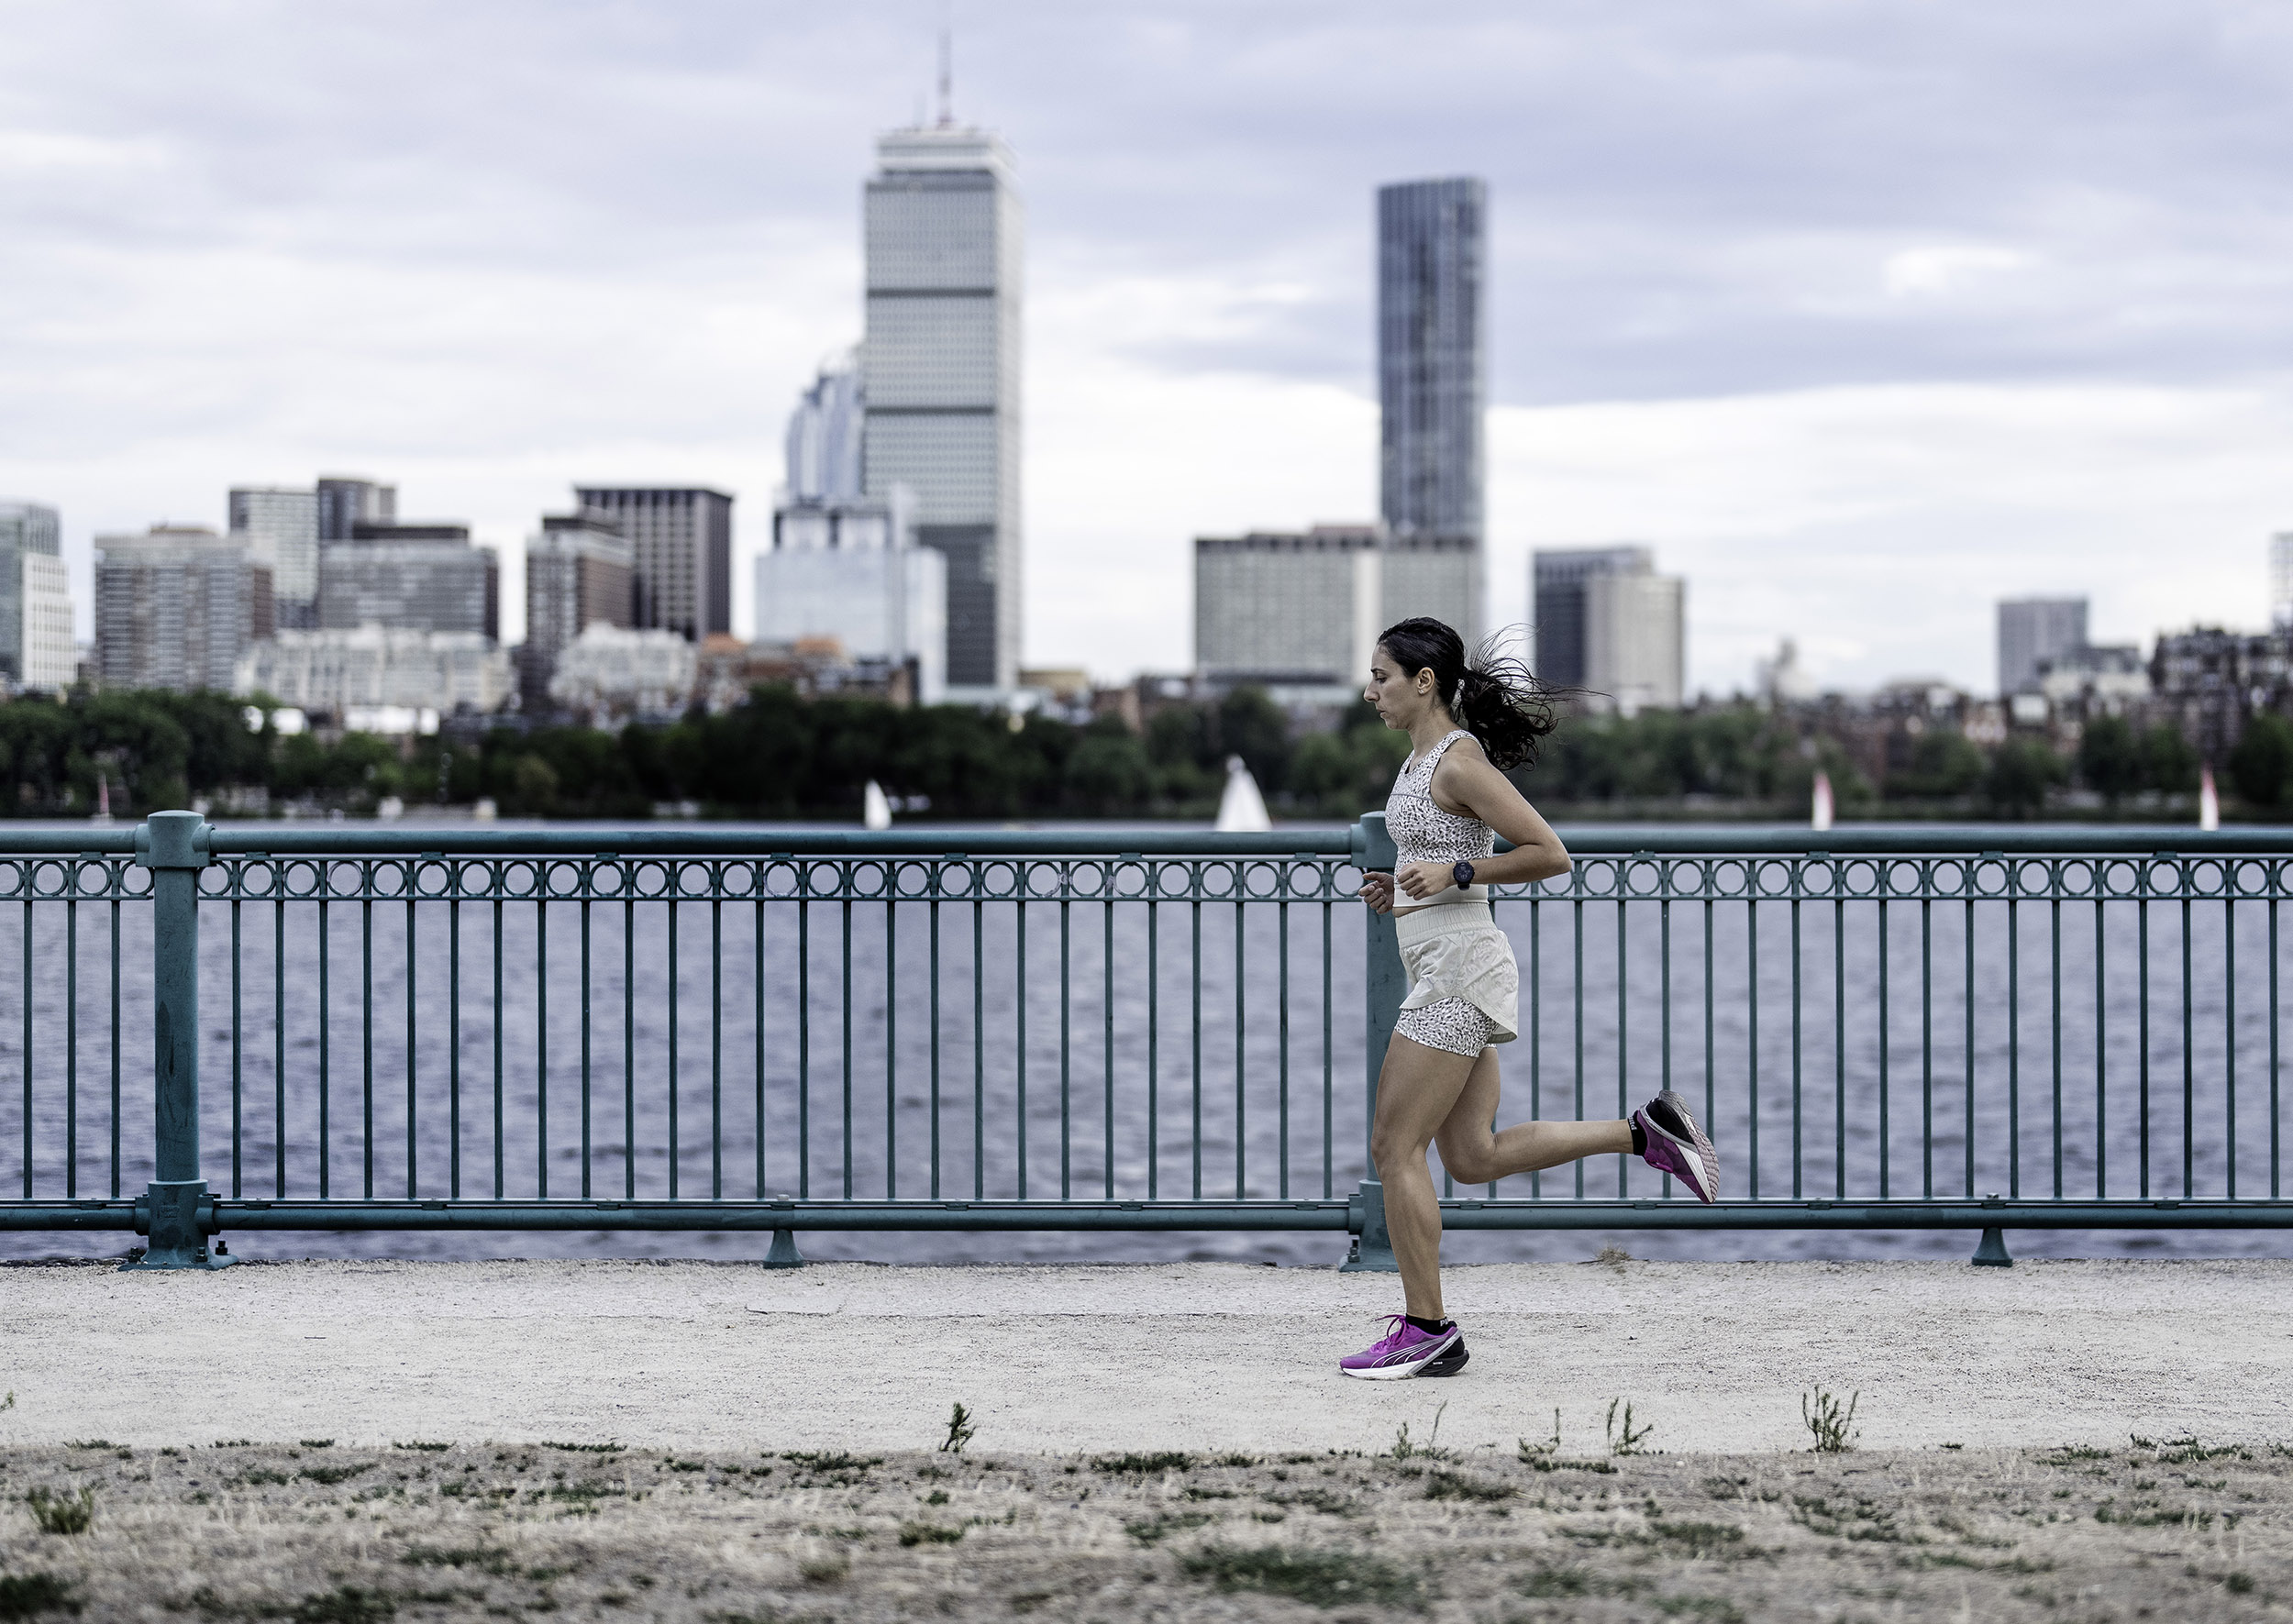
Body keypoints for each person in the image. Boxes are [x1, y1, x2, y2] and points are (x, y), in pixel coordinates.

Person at [1340, 617, 1720, 1380]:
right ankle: (1646, 1132)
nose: (1370, 688)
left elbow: (1550, 853)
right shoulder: (1420, 762)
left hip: (1458, 975)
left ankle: (1426, 1327)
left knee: (1393, 1147)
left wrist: (1456, 874)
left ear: (1424, 682)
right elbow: (1446, 862)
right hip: (1444, 961)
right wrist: (1406, 889)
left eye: (1382, 675)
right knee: (1472, 1156)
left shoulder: (1459, 760)